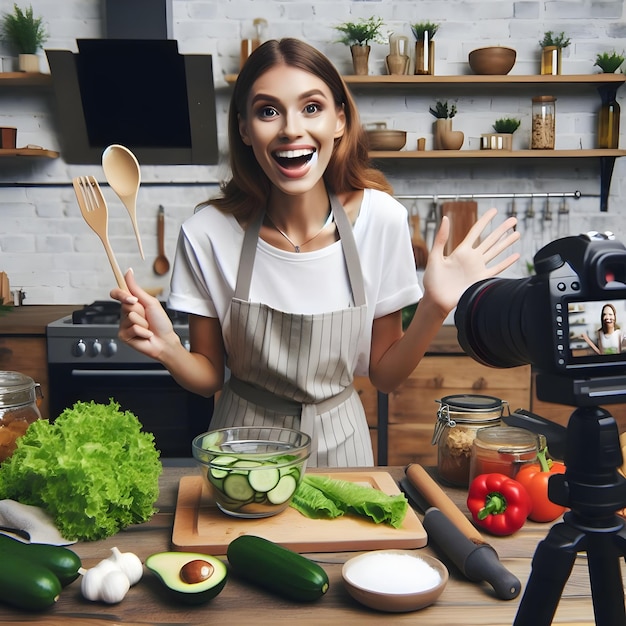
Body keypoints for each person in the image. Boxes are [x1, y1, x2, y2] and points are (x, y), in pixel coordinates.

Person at [110, 38, 520, 467]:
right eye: (268, 110)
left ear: (339, 120)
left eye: (311, 107)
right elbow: (209, 374)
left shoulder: (381, 220)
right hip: (241, 450)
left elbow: (384, 374)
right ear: (245, 129)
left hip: (342, 447)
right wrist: (168, 348)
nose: (291, 128)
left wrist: (434, 307)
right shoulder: (207, 233)